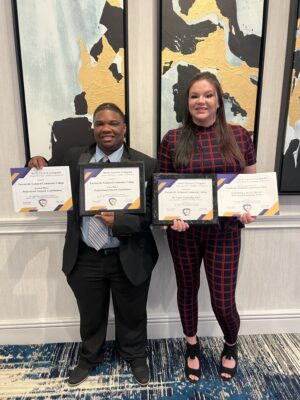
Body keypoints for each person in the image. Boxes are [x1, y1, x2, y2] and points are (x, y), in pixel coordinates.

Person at [28, 103, 158, 386]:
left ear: (124, 128)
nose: (106, 129)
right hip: (85, 255)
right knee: (90, 315)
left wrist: (120, 222)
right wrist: (37, 162)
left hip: (129, 254)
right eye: (100, 124)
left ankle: (135, 356)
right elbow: (48, 180)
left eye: (113, 123)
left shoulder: (146, 164)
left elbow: (152, 214)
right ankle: (89, 356)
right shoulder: (75, 158)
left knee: (133, 313)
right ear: (93, 129)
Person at [158, 72, 256, 382]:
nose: (201, 101)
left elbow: (249, 184)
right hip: (184, 234)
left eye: (208, 95)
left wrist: (248, 210)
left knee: (223, 301)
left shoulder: (239, 136)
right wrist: (169, 216)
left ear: (219, 100)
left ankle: (230, 345)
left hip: (225, 233)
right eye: (195, 96)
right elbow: (164, 190)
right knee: (187, 290)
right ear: (187, 103)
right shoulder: (172, 140)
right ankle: (192, 346)